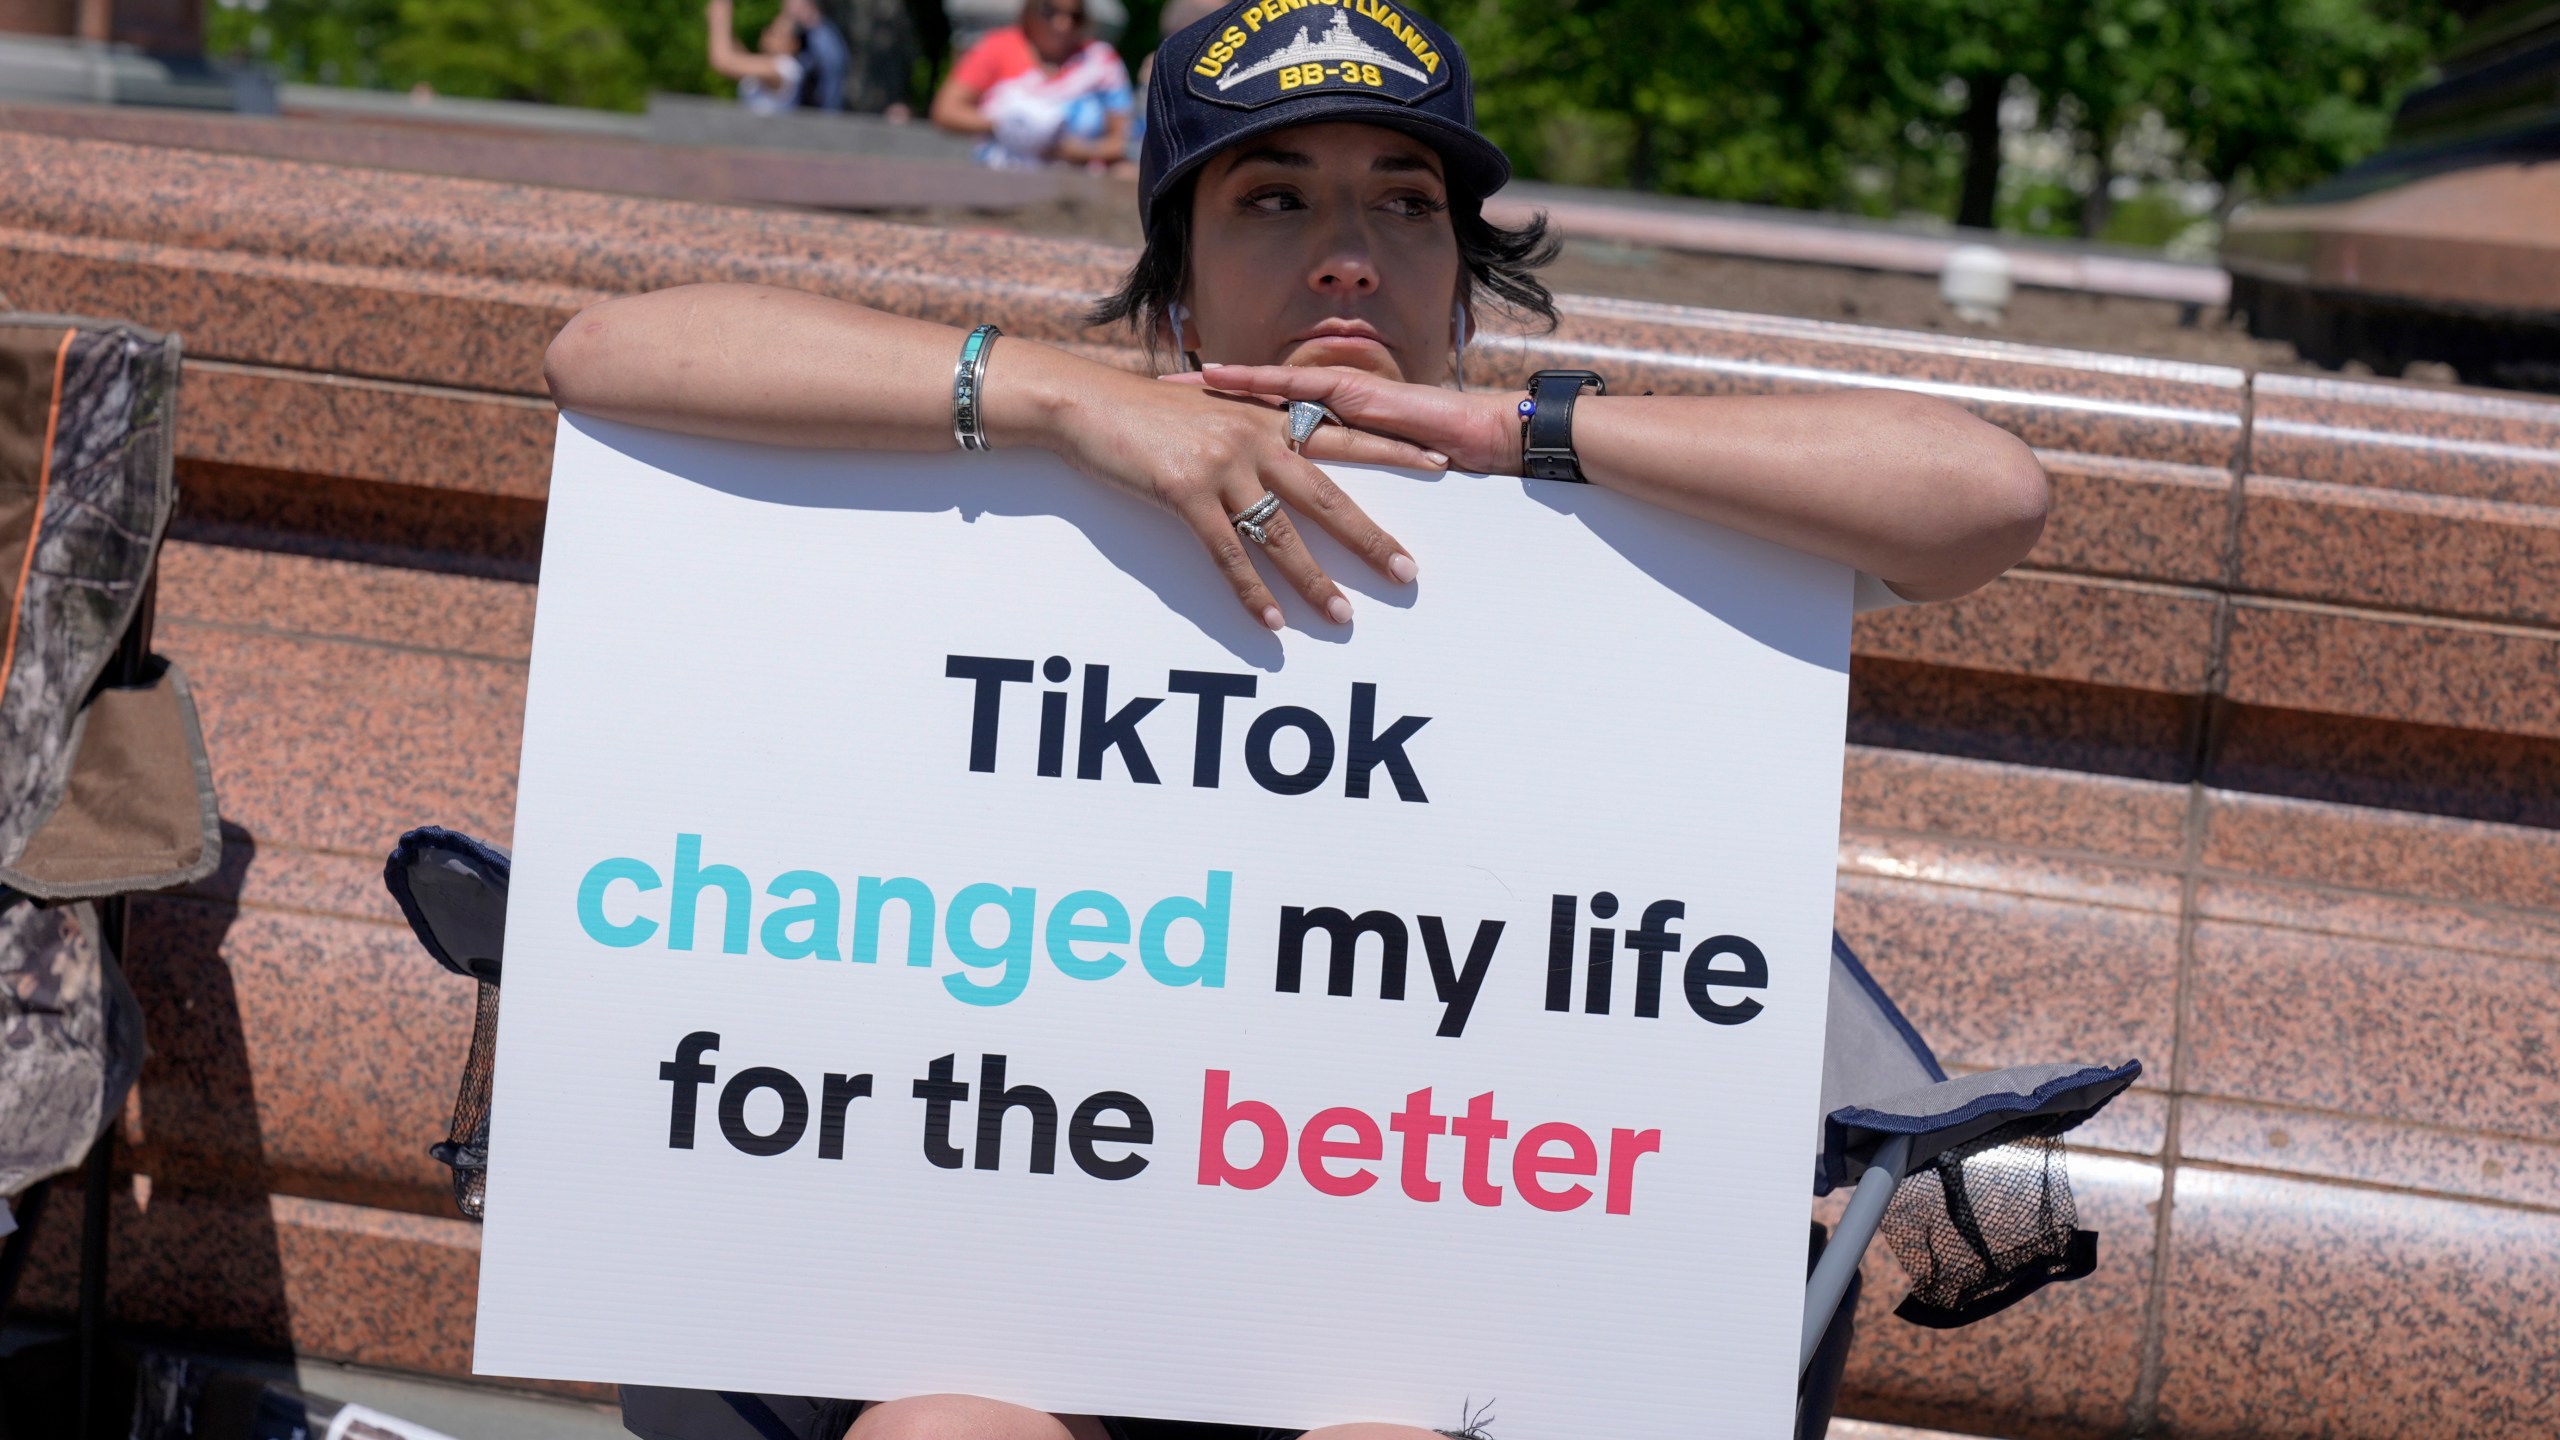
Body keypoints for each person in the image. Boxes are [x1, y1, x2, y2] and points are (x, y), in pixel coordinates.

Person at [551, 2, 2046, 1436]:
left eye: (1404, 206)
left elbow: (1986, 500)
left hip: (1441, 1297)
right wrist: (1068, 403)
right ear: (1178, 276)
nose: (1347, 258)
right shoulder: (1039, 492)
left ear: (1462, 271)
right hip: (1028, 1248)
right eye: (1272, 203)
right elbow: (604, 359)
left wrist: (1532, 435)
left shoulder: (1595, 543)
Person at [929, 0, 1133, 169]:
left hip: (1080, 182)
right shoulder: (998, 48)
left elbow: (1122, 140)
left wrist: (1076, 151)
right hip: (998, 176)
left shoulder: (1100, 61)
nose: (1062, 24)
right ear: (1030, 10)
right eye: (1049, 11)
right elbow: (946, 111)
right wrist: (1005, 124)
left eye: (1075, 16)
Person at [706, 0, 808, 117]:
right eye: (770, 29)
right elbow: (739, 58)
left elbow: (723, 61)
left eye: (777, 33)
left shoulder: (786, 67)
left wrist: (720, 17)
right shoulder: (772, 67)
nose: (767, 34)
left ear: (794, 44)